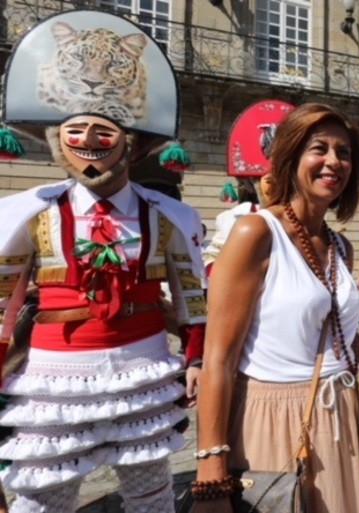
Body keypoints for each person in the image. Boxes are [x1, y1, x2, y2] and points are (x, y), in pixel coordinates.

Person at [0, 11, 205, 513]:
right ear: (57, 142)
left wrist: (196, 358)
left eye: (103, 132)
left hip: (145, 365)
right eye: (76, 132)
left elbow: (192, 295)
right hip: (55, 373)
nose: (89, 142)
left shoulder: (170, 215)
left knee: (151, 493)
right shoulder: (27, 212)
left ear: (129, 143)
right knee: (41, 496)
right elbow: (3, 298)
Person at [192, 103, 359, 513]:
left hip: (342, 415)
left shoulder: (339, 245)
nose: (334, 161)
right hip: (276, 418)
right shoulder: (255, 232)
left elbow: (338, 336)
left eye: (345, 153)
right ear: (292, 156)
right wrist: (211, 472)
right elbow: (219, 359)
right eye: (320, 148)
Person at [202, 99, 294, 277]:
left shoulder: (308, 220)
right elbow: (212, 256)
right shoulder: (233, 218)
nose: (271, 187)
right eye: (264, 181)